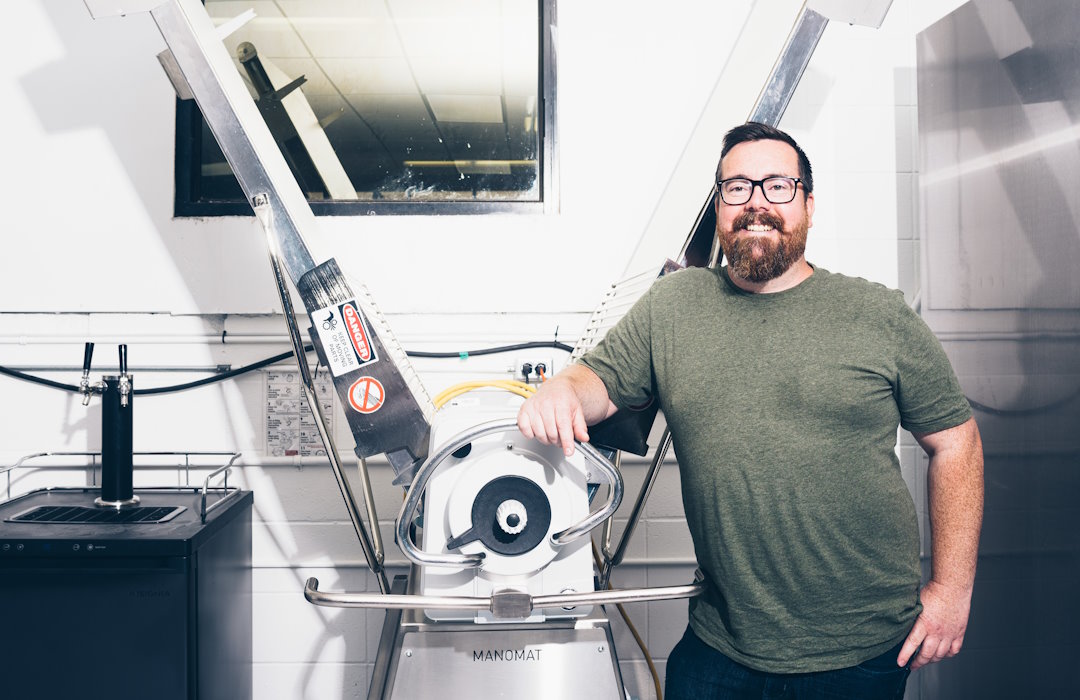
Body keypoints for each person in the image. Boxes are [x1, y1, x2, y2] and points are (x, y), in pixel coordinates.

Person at [517, 122, 984, 699]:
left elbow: (956, 441)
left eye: (778, 186)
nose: (756, 202)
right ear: (719, 206)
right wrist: (564, 388)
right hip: (721, 645)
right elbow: (602, 381)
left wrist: (952, 590)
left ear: (809, 206)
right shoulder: (675, 305)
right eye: (737, 187)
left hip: (860, 650)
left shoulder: (877, 314)